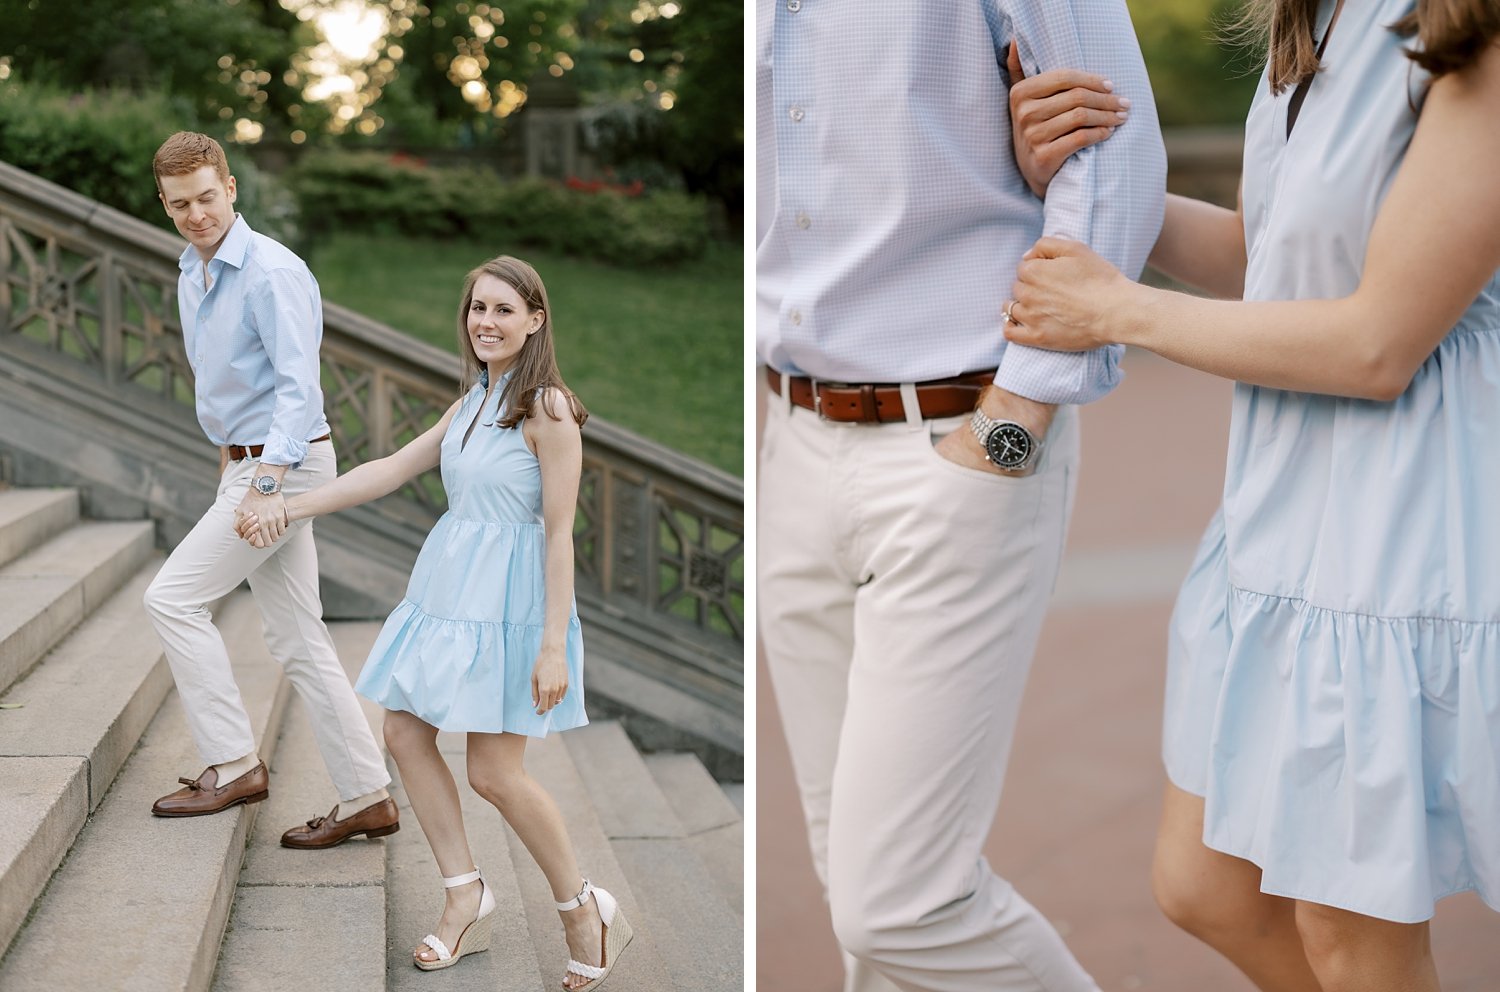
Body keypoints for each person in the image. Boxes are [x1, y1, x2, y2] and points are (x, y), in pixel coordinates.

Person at [1003, 1, 1500, 988]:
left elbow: (1376, 343)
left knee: (1351, 932)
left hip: (1397, 531)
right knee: (1204, 883)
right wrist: (1064, 179)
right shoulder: (1316, 27)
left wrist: (1116, 310)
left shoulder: (1474, 35)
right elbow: (1266, 254)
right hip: (1284, 517)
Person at [756, 1, 1165, 988]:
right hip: (792, 440)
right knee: (861, 893)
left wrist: (1006, 428)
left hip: (959, 433)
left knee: (901, 897)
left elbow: (1113, 163)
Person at [237, 255, 631, 990]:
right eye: (478, 308)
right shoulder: (474, 401)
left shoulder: (548, 408)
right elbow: (385, 470)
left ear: (535, 321)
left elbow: (557, 533)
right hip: (448, 593)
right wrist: (287, 506)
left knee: (495, 774)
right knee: (405, 732)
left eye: (504, 310)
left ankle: (583, 909)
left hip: (510, 609)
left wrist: (554, 646)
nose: (486, 322)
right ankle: (463, 893)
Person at [143, 131, 398, 846]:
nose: (196, 214)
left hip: (281, 467)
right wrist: (232, 464)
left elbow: (297, 389)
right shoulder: (192, 271)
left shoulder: (271, 272)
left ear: (231, 188)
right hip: (247, 463)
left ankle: (233, 764)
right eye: (180, 204)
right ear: (164, 205)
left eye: (206, 197)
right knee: (297, 637)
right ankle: (367, 796)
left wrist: (262, 485)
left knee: (172, 598)